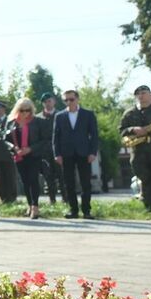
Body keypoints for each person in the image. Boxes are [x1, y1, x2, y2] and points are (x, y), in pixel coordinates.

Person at [53, 89, 100, 219]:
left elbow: (94, 135)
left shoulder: (88, 114)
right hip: (66, 153)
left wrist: (92, 152)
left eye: (71, 99)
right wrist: (57, 154)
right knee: (68, 183)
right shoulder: (60, 116)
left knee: (85, 182)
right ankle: (73, 210)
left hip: (84, 152)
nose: (69, 102)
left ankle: (86, 211)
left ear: (77, 99)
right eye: (66, 100)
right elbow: (55, 137)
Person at [7, 98, 51, 218]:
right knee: (25, 181)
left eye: (28, 110)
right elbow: (6, 141)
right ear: (17, 110)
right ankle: (29, 204)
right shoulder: (11, 123)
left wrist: (30, 149)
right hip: (19, 157)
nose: (25, 113)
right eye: (22, 110)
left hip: (34, 156)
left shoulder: (38, 122)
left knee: (33, 180)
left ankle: (35, 206)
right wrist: (14, 149)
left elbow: (45, 140)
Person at [0, 99, 19, 205]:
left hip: (8, 154)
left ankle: (12, 198)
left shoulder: (11, 121)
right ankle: (4, 199)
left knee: (10, 177)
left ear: (3, 109)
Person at [37, 92, 61, 205]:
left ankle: (66, 200)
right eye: (45, 102)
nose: (47, 104)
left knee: (62, 176)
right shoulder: (38, 118)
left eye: (49, 101)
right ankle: (52, 201)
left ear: (54, 101)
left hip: (59, 150)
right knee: (48, 176)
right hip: (44, 151)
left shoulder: (61, 115)